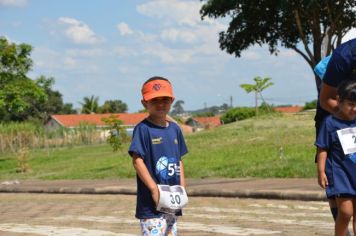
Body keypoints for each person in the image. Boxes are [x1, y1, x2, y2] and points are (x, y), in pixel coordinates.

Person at [128, 76, 188, 235]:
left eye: (165, 99)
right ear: (144, 103)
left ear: (172, 100)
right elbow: (137, 161)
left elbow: (179, 160)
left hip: (172, 199)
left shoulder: (175, 129)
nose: (160, 104)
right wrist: (154, 189)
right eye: (154, 100)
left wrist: (182, 187)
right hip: (151, 205)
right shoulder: (143, 129)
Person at [316, 79, 356, 236]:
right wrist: (321, 171)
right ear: (339, 101)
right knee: (346, 212)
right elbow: (322, 149)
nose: (354, 108)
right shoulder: (330, 123)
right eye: (351, 104)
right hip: (340, 175)